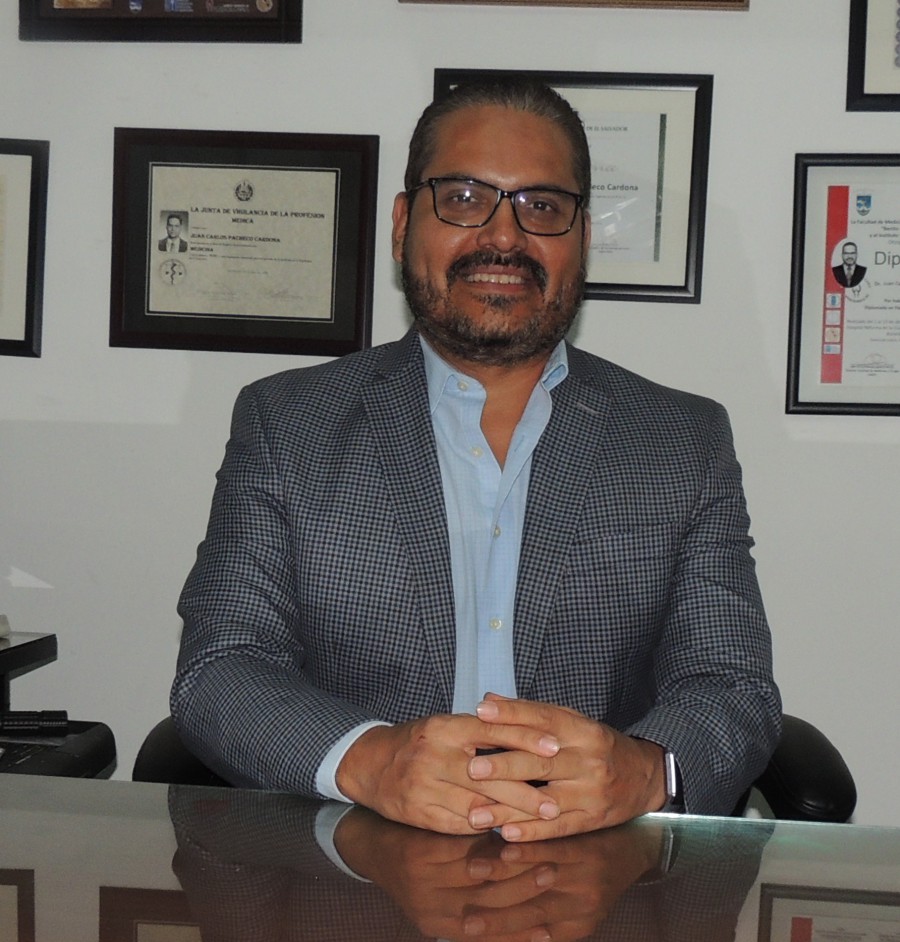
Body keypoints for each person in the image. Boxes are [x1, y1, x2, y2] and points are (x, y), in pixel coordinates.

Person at [172, 78, 780, 842]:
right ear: (403, 225)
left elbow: (731, 686)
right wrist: (372, 760)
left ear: (583, 237)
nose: (504, 238)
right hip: (354, 864)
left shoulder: (682, 441)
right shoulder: (286, 424)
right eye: (464, 197)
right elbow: (221, 668)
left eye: (542, 206)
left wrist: (646, 769)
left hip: (597, 870)